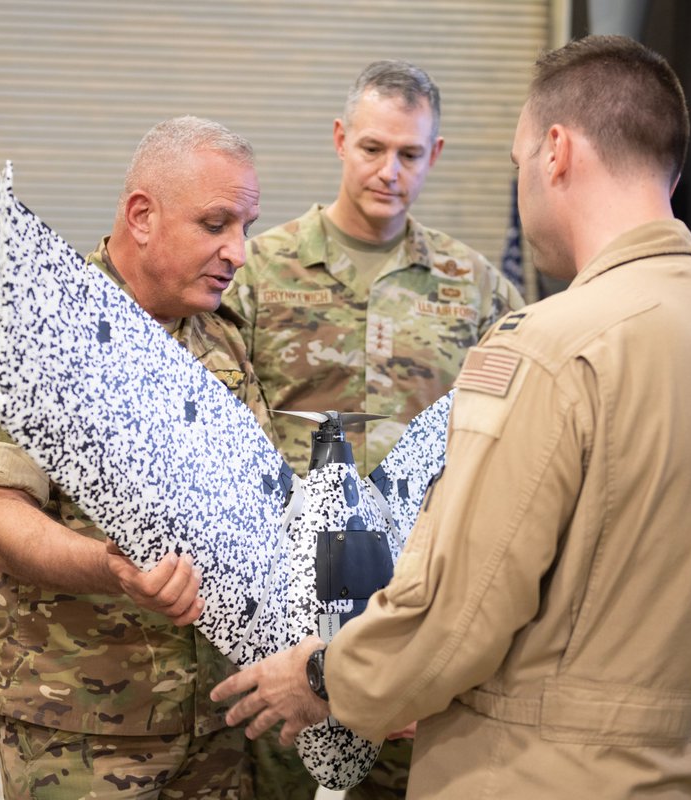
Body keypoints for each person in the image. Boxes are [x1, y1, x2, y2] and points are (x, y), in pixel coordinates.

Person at [211, 35, 691, 800]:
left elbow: (458, 613)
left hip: (538, 770)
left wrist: (324, 676)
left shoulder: (551, 348)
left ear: (555, 151)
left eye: (518, 158)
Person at [221, 60, 523, 798]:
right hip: (281, 618)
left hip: (416, 618)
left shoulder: (475, 287)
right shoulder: (259, 272)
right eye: (372, 148)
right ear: (339, 139)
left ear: (435, 155)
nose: (390, 171)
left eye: (410, 154)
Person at [0, 116, 268, 799]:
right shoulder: (37, 333)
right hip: (82, 724)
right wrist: (112, 569)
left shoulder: (222, 342)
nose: (238, 252)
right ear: (142, 216)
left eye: (246, 226)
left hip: (218, 719)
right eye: (216, 224)